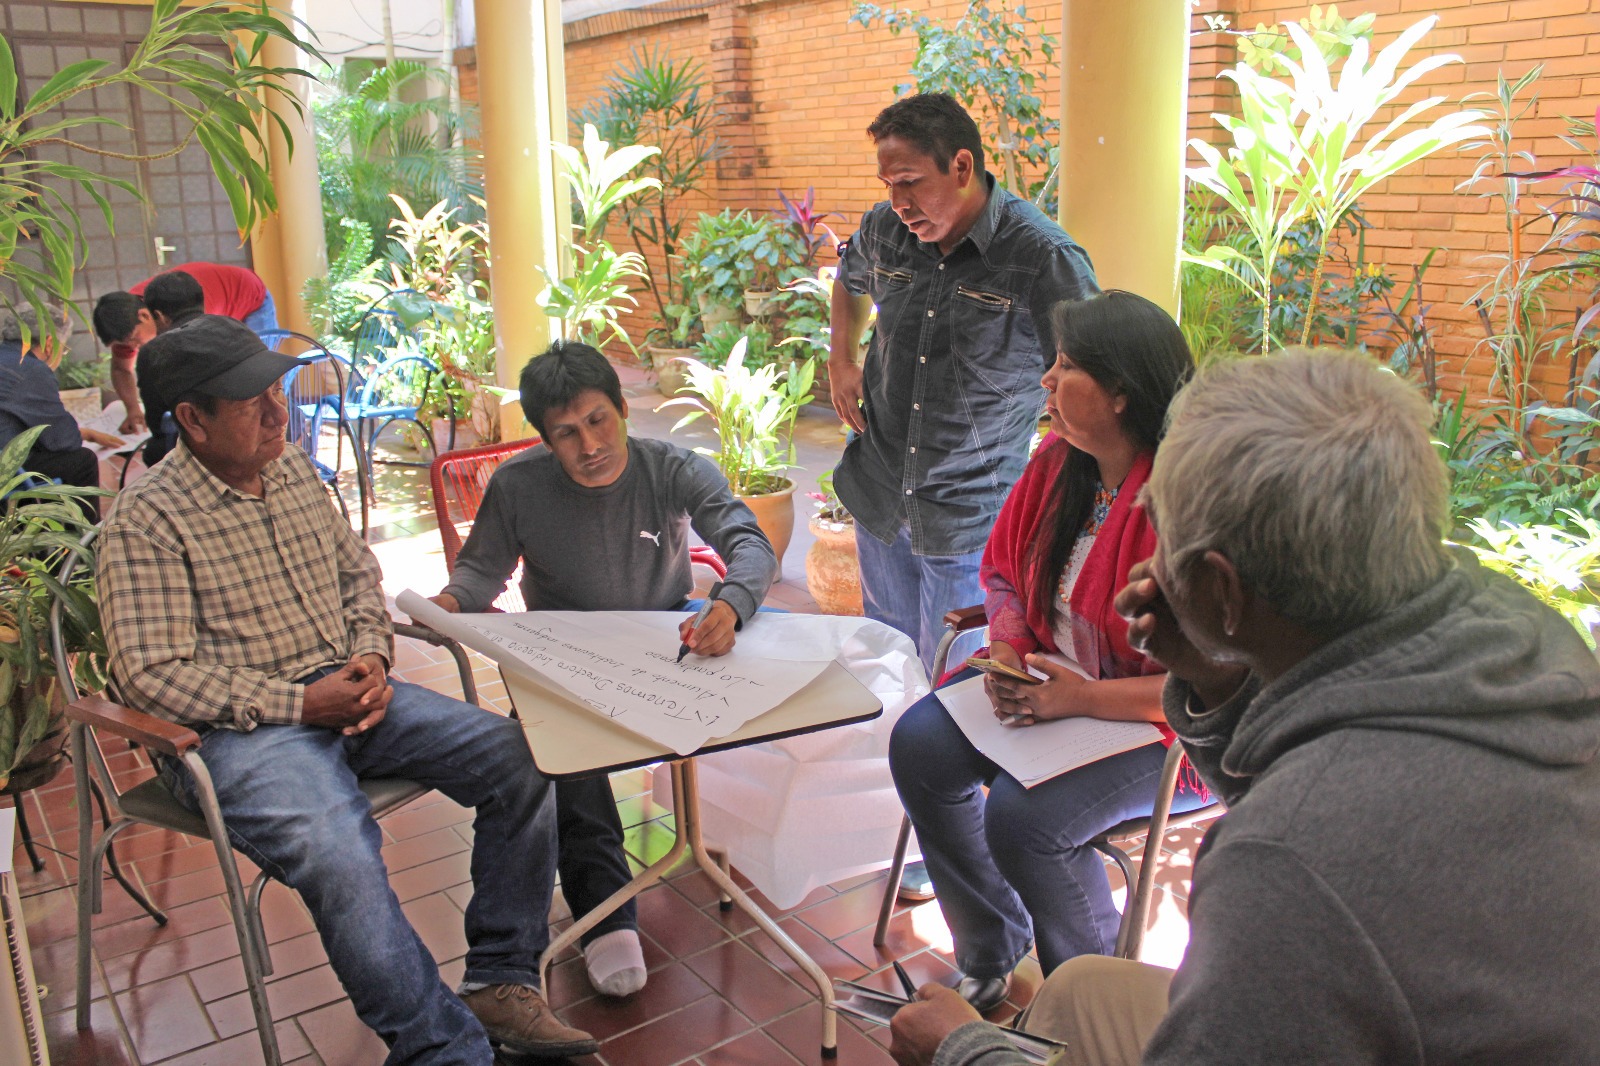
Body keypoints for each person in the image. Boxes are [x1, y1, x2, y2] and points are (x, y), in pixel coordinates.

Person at [886, 349, 1600, 1066]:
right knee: (1080, 993)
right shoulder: (1520, 629)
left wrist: (963, 1052)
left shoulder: (1281, 866)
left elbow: (1319, 828)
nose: (1143, 569)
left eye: (1161, 542)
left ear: (1222, 590)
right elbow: (1321, 771)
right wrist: (1212, 675)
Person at [96, 314, 598, 1063]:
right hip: (242, 732)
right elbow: (152, 675)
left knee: (520, 760)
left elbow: (356, 573)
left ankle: (501, 977)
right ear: (192, 422)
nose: (279, 414)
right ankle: (440, 1049)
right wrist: (300, 704)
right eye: (250, 404)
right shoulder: (148, 521)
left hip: (347, 693)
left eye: (277, 392)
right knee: (337, 850)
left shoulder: (292, 469)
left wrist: (369, 655)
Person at [886, 291, 1206, 1015]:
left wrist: (1079, 698)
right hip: (1049, 691)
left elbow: (1208, 685)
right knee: (920, 746)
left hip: (1163, 731)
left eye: (1066, 368)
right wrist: (1008, 654)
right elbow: (1000, 571)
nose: (1046, 382)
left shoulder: (1182, 504)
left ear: (1121, 392)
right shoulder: (1060, 466)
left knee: (1028, 821)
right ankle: (993, 949)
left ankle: (1087, 1007)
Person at [427, 339, 778, 997]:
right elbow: (480, 571)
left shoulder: (671, 468)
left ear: (622, 410)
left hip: (667, 640)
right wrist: (449, 603)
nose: (588, 444)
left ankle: (724, 845)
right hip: (567, 656)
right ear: (544, 439)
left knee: (768, 703)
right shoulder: (518, 486)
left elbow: (748, 543)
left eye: (598, 421)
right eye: (565, 433)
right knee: (551, 749)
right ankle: (606, 912)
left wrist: (730, 605)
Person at [829, 92, 1098, 673]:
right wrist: (841, 360)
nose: (897, 202)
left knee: (956, 689)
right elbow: (849, 281)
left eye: (910, 181)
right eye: (887, 184)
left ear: (961, 166)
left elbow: (1089, 382)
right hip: (879, 496)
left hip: (969, 516)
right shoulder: (883, 229)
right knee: (886, 664)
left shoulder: (1042, 257)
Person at [92, 261, 278, 432]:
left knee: (259, 380)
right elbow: (121, 369)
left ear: (145, 316)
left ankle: (275, 432)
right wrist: (133, 410)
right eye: (126, 344)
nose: (134, 347)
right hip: (217, 304)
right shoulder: (126, 320)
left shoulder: (191, 312)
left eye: (134, 339)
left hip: (249, 296)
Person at [0, 302, 124, 500]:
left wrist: (85, 433)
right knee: (81, 461)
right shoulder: (31, 369)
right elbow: (63, 440)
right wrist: (82, 435)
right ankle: (81, 530)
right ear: (50, 343)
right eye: (64, 349)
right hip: (6, 469)